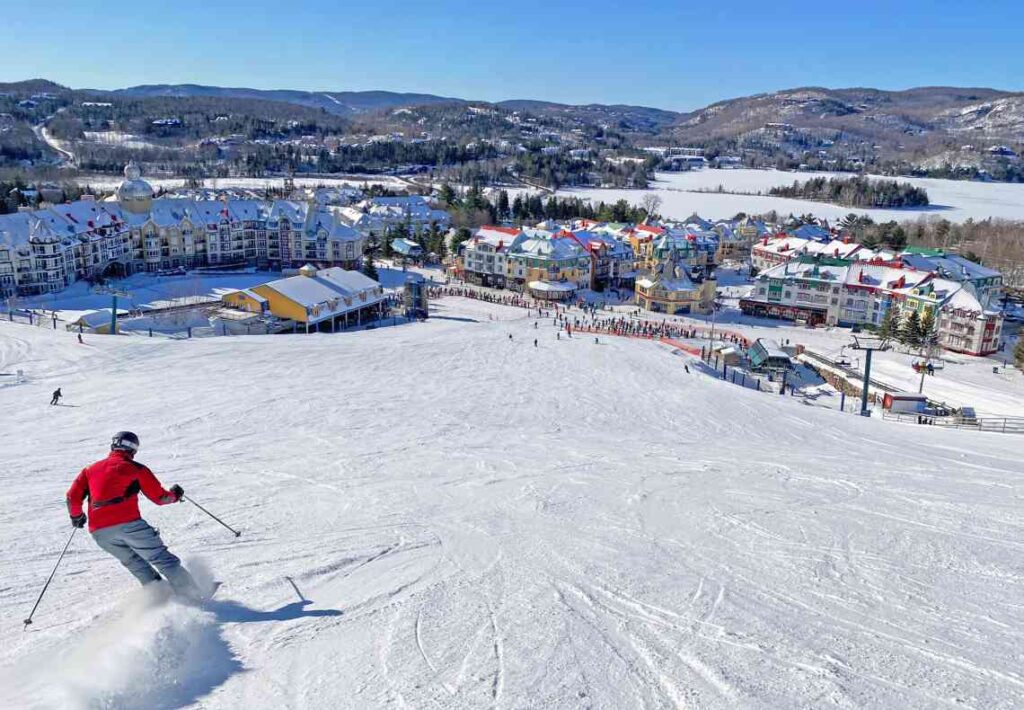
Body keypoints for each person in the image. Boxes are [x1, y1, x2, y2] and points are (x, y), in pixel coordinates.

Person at [65, 431, 202, 600]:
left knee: (134, 563)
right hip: (129, 524)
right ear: (133, 449)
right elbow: (160, 498)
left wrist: (76, 516)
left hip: (100, 532)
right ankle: (193, 596)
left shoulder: (90, 470)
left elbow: (72, 497)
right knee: (160, 558)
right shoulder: (136, 469)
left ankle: (160, 595)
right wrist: (175, 496)